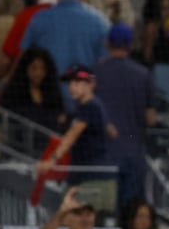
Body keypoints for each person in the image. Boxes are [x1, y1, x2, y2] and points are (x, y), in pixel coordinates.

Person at [35, 66, 116, 217]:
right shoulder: (93, 106)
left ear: (91, 84)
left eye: (78, 82)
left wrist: (51, 160)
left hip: (93, 179)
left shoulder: (90, 106)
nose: (72, 87)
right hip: (88, 177)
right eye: (70, 83)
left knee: (73, 220)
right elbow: (111, 131)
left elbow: (73, 134)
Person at [94, 24, 155, 210]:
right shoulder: (143, 74)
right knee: (129, 214)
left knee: (101, 214)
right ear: (131, 45)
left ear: (106, 43)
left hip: (101, 154)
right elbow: (151, 118)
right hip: (132, 154)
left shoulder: (94, 73)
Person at [20, 0, 108, 95]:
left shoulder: (39, 19)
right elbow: (103, 66)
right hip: (83, 100)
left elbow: (23, 58)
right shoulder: (99, 23)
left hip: (48, 102)